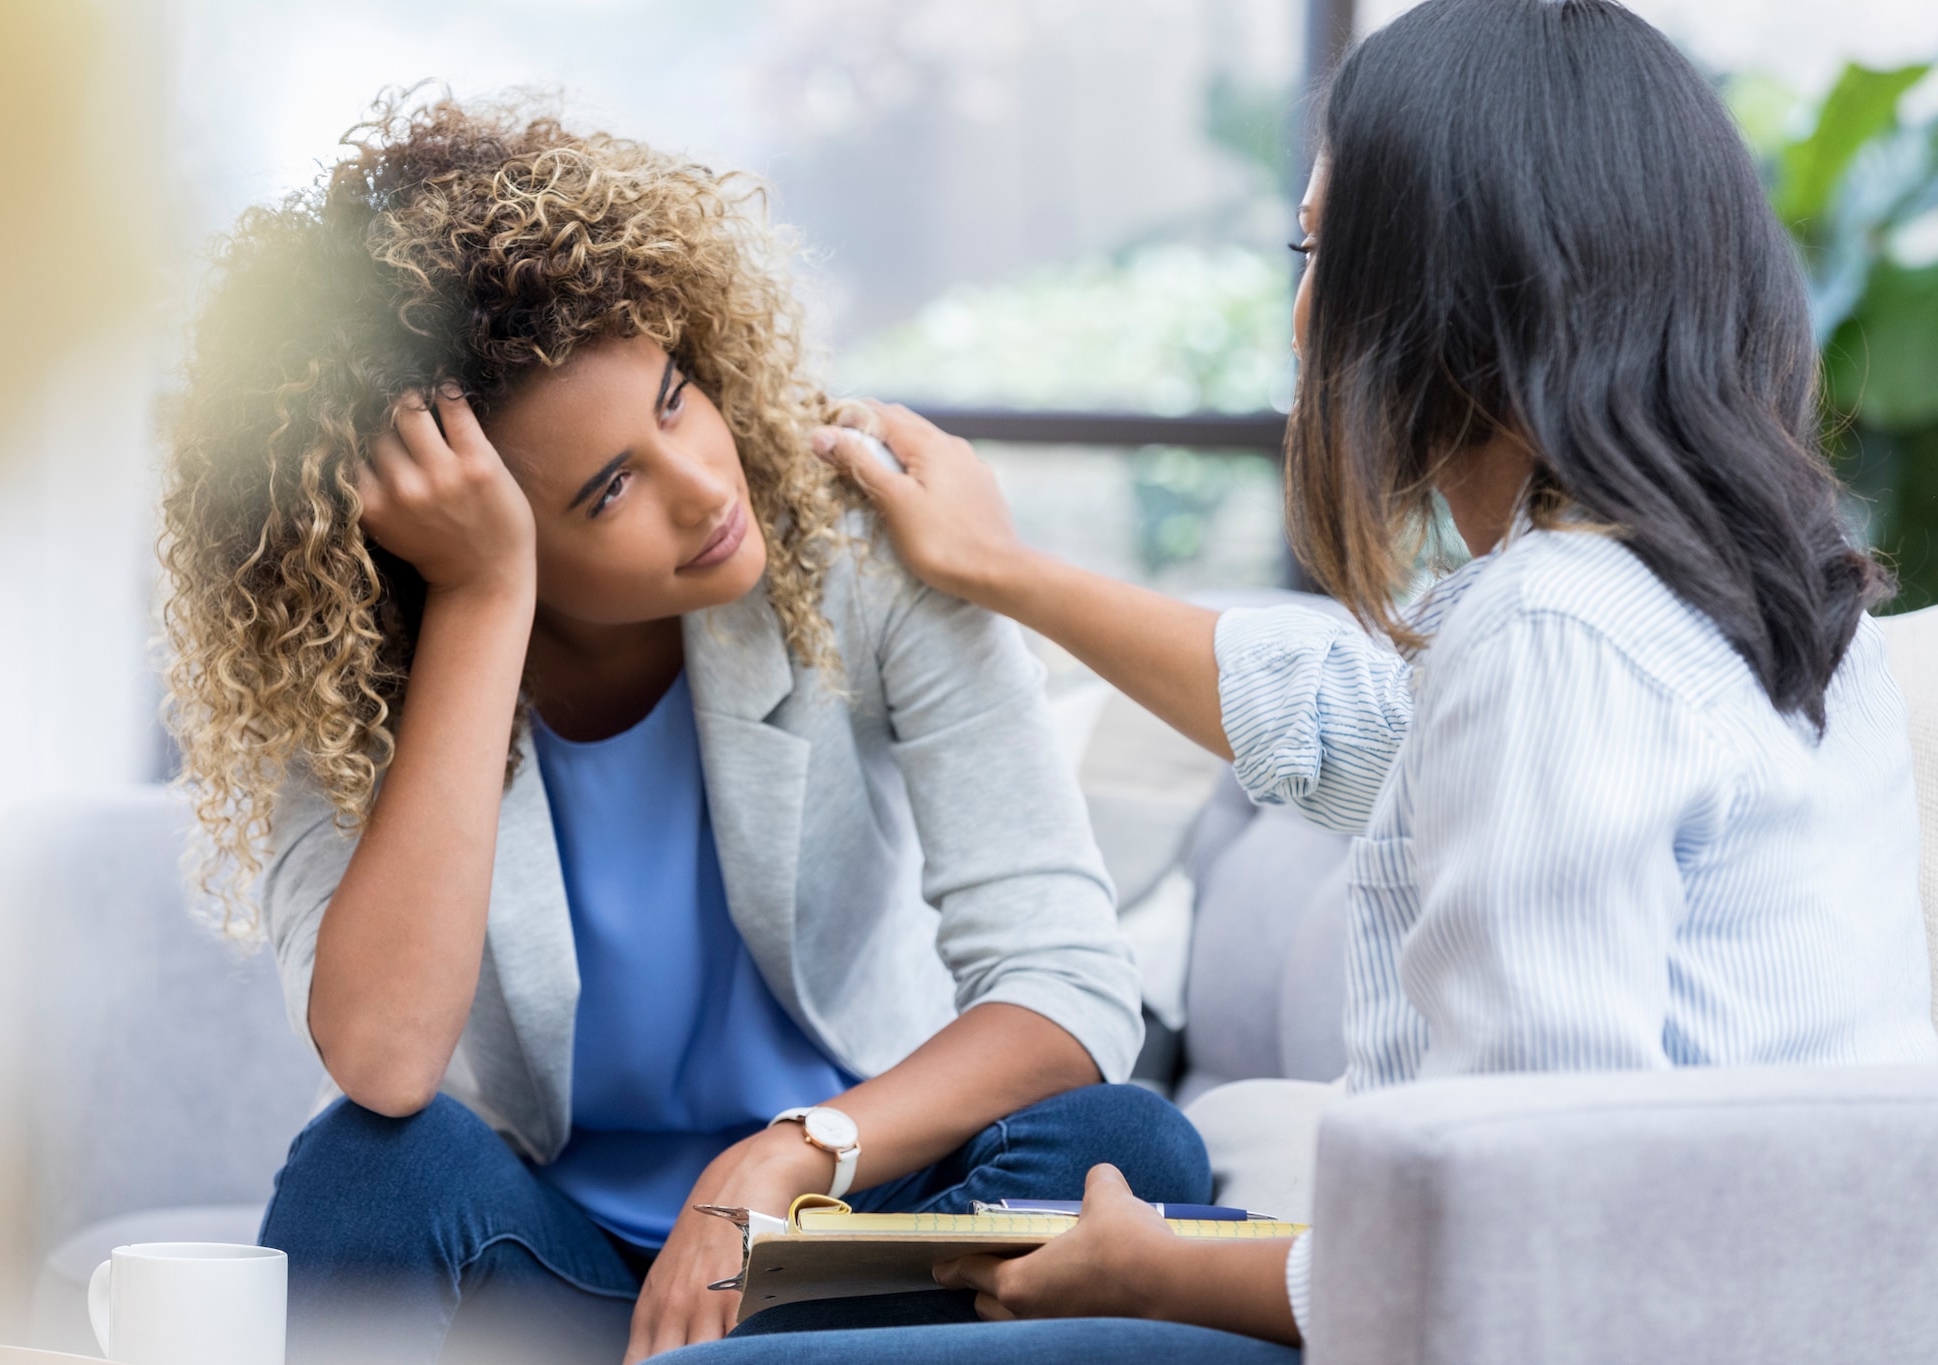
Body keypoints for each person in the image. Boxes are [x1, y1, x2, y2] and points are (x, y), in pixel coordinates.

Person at [669, 0, 1938, 1359]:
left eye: (1321, 247)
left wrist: (1154, 1276)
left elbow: (1526, 1233)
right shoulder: (1774, 607)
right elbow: (1355, 726)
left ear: (1453, 285)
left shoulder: (1556, 629)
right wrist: (1005, 572)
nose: (1301, 312)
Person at [159, 95, 1211, 1364]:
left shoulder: (860, 551)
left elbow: (1065, 983)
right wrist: (487, 601)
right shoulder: (341, 672)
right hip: (555, 1263)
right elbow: (382, 1063)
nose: (706, 485)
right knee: (367, 1167)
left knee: (1126, 1146)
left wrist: (791, 1152)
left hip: (845, 1243)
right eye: (609, 489)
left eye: (674, 397)